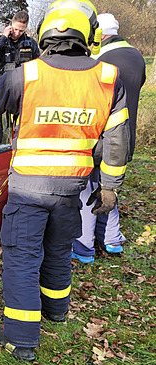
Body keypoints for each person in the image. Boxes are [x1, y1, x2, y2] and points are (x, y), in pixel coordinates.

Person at [0, 0, 130, 361]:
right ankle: (56, 311)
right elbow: (118, 141)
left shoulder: (27, 75)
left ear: (46, 33)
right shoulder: (107, 78)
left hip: (28, 189)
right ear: (87, 35)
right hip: (70, 189)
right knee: (58, 249)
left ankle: (21, 337)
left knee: (22, 258)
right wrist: (109, 189)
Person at [72, 13, 146, 263]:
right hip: (126, 136)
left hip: (101, 139)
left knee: (89, 191)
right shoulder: (137, 56)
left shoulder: (101, 60)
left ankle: (84, 246)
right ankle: (112, 240)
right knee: (110, 188)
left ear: (99, 35)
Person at [0, 11, 40, 150]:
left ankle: (19, 151)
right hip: (0, 91)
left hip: (22, 91)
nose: (17, 33)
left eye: (21, 30)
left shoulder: (30, 44)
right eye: (15, 29)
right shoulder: (0, 41)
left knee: (23, 125)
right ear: (11, 25)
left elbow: (39, 66)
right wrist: (2, 38)